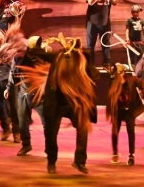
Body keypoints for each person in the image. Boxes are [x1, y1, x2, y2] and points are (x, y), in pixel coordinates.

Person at [25, 33, 100, 174]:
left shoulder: (82, 59)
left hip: (75, 103)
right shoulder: (58, 57)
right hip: (57, 102)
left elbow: (95, 75)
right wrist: (42, 44)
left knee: (83, 131)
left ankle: (79, 161)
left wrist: (84, 62)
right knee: (51, 133)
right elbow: (34, 51)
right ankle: (51, 161)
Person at [4, 36, 47, 156]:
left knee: (46, 122)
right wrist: (8, 87)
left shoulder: (43, 57)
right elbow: (13, 73)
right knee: (23, 121)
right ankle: (26, 145)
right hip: (24, 94)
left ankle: (49, 146)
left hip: (40, 94)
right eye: (36, 44)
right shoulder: (19, 57)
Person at [106, 63, 144, 166]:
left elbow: (141, 83)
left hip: (130, 111)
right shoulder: (113, 83)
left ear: (122, 73)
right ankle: (115, 153)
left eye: (117, 74)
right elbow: (110, 98)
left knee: (131, 132)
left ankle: (131, 155)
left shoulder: (132, 80)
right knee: (115, 132)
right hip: (118, 111)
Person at [86, 0, 117, 68]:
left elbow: (115, 2)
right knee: (90, 45)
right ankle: (90, 64)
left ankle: (107, 63)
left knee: (106, 43)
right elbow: (90, 2)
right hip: (92, 22)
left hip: (105, 22)